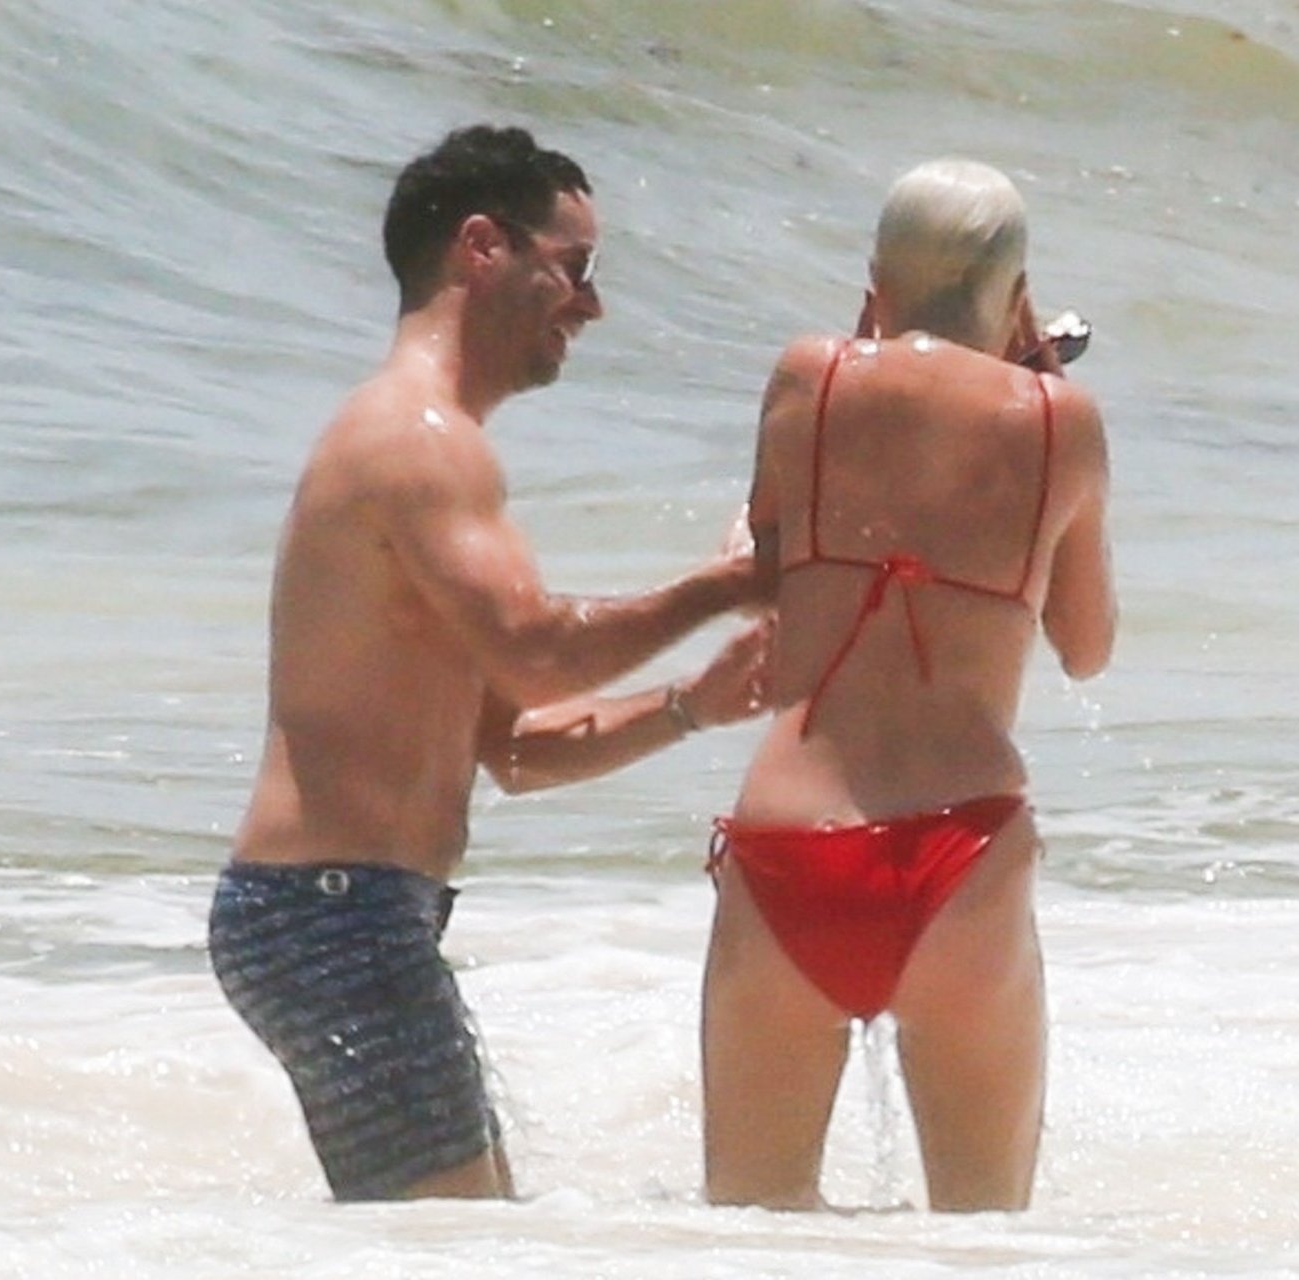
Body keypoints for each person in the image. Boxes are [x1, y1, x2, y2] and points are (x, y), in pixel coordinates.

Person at [207, 124, 771, 1204]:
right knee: (455, 1244)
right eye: (576, 266)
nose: (592, 305)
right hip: (332, 908)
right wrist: (729, 583)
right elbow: (542, 652)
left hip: (343, 907)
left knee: (465, 1235)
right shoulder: (417, 441)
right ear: (481, 247)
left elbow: (514, 747)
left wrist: (690, 707)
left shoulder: (430, 441)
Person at [699, 158, 1116, 1212]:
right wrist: (1036, 392)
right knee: (986, 1240)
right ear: (1021, 301)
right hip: (960, 853)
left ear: (875, 283)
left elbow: (759, 574)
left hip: (791, 843)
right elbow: (1086, 644)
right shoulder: (1063, 422)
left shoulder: (811, 376)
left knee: (748, 1235)